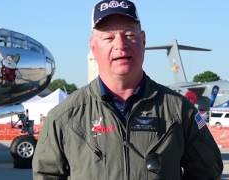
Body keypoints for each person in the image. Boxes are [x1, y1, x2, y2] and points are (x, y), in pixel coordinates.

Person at [32, 0, 223, 179]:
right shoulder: (64, 118)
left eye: (129, 35)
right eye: (108, 37)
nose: (120, 46)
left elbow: (207, 171)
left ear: (143, 40)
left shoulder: (180, 111)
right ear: (93, 47)